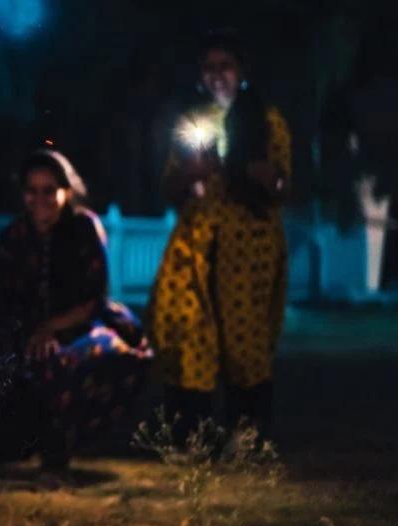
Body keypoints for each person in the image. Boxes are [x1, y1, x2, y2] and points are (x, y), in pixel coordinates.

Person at [0, 150, 153, 478]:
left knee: (66, 361)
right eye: (32, 191)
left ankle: (57, 452)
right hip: (25, 328)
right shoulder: (13, 236)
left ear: (66, 190)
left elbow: (94, 297)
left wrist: (51, 329)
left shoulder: (83, 228)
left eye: (49, 190)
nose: (40, 199)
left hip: (81, 325)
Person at [149, 30, 291, 440]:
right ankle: (191, 435)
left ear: (241, 71)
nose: (216, 75)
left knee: (244, 339)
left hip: (249, 245)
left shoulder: (266, 120)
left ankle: (247, 436)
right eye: (208, 67)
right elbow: (170, 186)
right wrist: (193, 173)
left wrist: (262, 176)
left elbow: (285, 185)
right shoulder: (192, 121)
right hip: (197, 240)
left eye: (224, 66)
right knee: (185, 325)